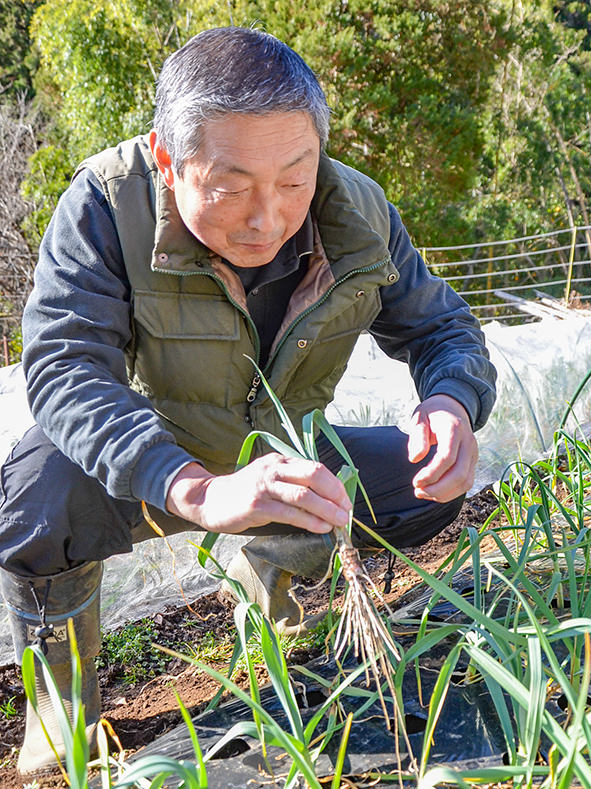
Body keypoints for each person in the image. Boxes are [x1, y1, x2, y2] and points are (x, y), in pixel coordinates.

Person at [0, 26, 496, 773]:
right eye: (230, 188)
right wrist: (197, 487)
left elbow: (443, 327)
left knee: (419, 483)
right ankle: (63, 700)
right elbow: (68, 367)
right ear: (170, 163)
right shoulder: (108, 205)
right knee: (36, 493)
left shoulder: (356, 210)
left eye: (293, 181)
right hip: (156, 461)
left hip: (280, 450)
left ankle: (271, 560)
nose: (267, 217)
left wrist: (451, 403)